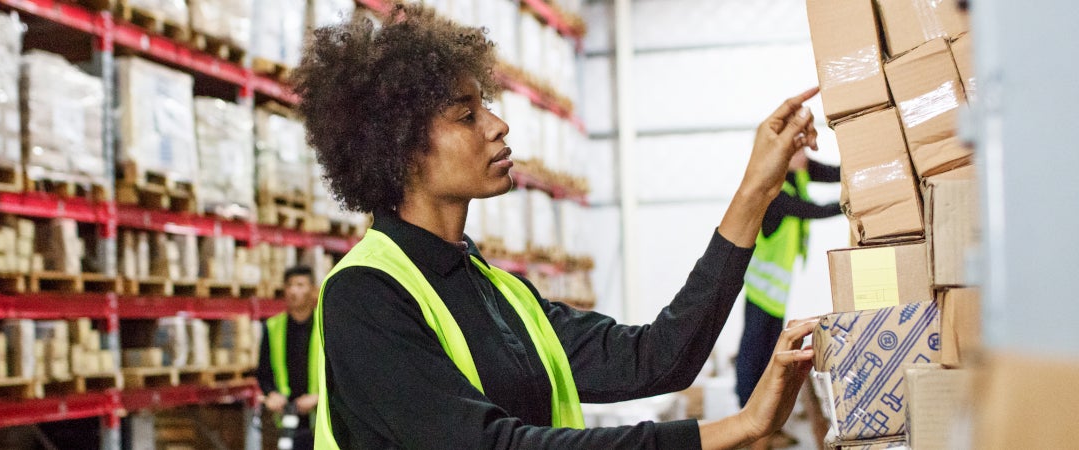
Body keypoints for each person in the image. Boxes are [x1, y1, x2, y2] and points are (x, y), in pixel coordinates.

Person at [294, 5, 821, 449]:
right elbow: (497, 445)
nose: (498, 125)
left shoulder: (499, 294)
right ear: (400, 147)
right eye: (466, 115)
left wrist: (756, 192)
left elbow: (657, 358)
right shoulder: (364, 294)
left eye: (487, 107)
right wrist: (736, 428)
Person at [736, 150, 842, 450]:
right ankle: (748, 428)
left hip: (775, 293)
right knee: (754, 355)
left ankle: (765, 428)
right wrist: (846, 205)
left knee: (768, 354)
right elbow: (811, 209)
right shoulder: (775, 192)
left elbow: (834, 173)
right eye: (797, 150)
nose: (805, 155)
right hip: (761, 290)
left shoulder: (797, 175)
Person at [258, 266, 321, 450]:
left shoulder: (326, 325)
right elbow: (263, 373)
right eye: (290, 285)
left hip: (320, 420)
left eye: (300, 285)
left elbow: (339, 373)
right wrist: (271, 394)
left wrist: (318, 398)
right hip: (286, 418)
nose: (294, 291)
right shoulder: (273, 326)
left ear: (312, 290)